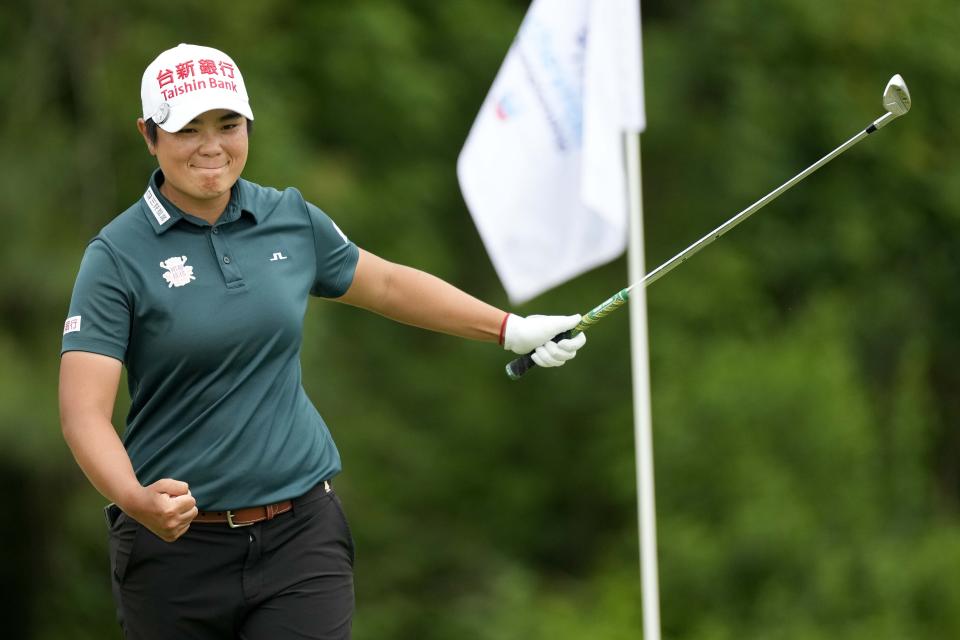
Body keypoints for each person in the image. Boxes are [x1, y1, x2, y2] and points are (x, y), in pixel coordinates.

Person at [58, 43, 587, 640]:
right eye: (188, 129)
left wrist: (509, 329)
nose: (212, 146)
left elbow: (386, 283)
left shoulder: (288, 218)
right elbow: (84, 414)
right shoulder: (114, 257)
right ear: (150, 136)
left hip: (299, 537)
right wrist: (135, 498)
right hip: (172, 548)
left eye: (228, 125)